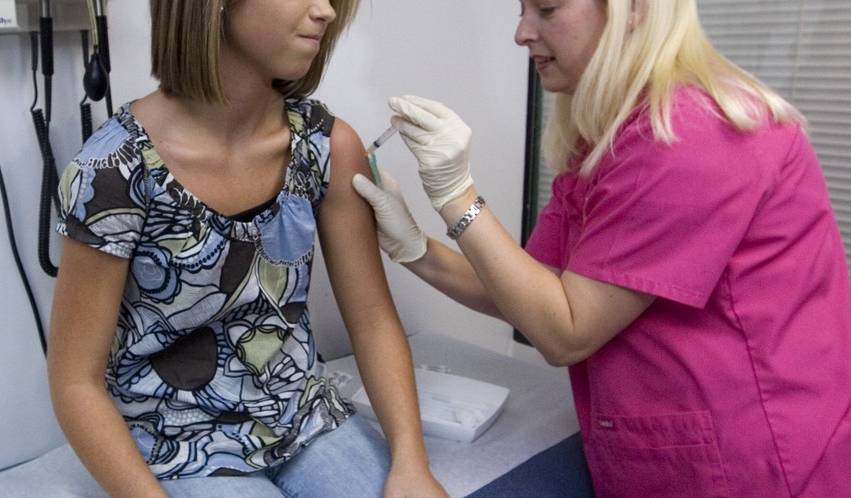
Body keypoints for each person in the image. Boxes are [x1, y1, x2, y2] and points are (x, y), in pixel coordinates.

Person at [352, 0, 851, 496]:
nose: (521, 33)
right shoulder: (610, 136)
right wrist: (417, 250)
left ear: (632, 8)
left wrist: (456, 194)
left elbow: (564, 331)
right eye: (521, 9)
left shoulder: (692, 137)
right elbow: (533, 287)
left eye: (546, 9)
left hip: (753, 459)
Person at [47, 1, 449, 497]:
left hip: (303, 419)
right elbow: (74, 383)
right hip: (178, 443)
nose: (325, 11)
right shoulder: (111, 172)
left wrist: (411, 463)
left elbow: (371, 319)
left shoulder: (326, 146)